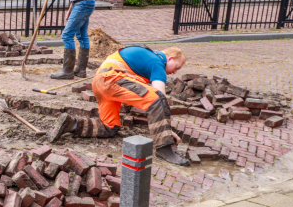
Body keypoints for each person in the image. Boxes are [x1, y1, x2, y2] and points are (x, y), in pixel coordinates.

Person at [47, 45, 191, 166]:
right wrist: (167, 133)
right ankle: (164, 151)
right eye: (177, 67)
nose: (175, 72)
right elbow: (160, 96)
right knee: (158, 99)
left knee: (109, 127)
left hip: (100, 83)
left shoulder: (146, 55)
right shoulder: (157, 61)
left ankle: (72, 124)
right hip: (112, 80)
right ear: (170, 58)